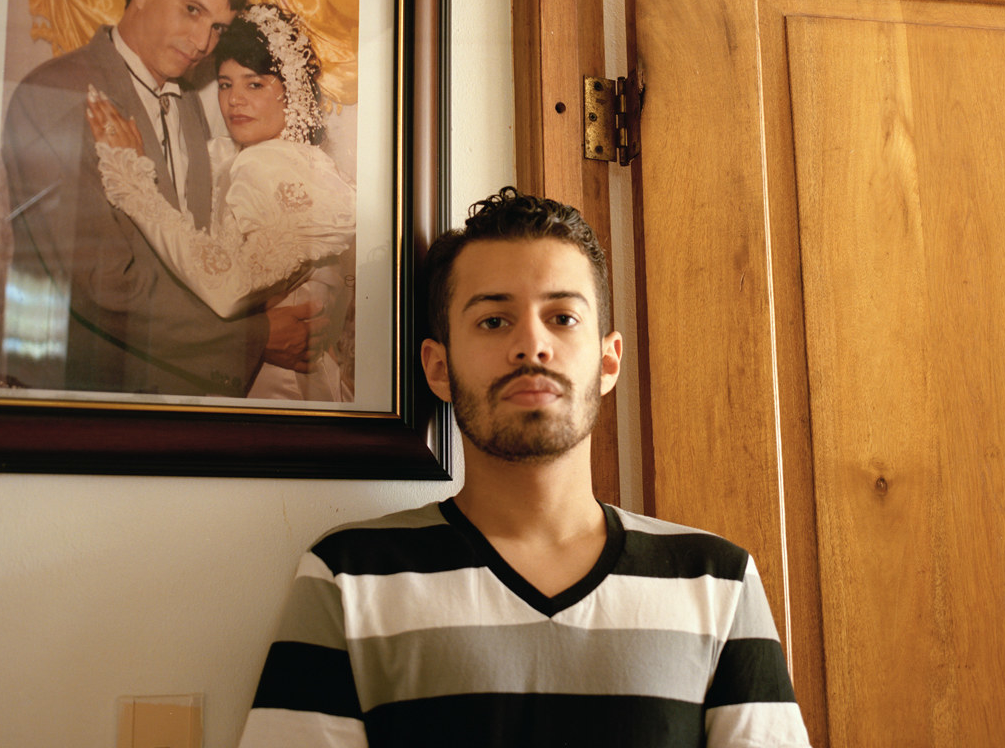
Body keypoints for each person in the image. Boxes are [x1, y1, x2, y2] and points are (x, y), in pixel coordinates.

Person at [235, 187, 813, 747]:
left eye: (563, 318)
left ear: (609, 361)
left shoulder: (717, 581)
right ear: (438, 369)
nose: (531, 345)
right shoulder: (348, 576)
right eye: (493, 321)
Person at [0, 0, 325, 396]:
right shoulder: (59, 94)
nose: (202, 42)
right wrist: (253, 338)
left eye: (217, 27)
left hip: (173, 391)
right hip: (85, 391)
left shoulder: (188, 101)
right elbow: (104, 287)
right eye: (192, 10)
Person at [87, 4, 357, 402]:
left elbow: (227, 289)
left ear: (293, 91)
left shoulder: (268, 166)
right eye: (226, 84)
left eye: (255, 84)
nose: (234, 101)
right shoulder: (268, 161)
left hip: (274, 392)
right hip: (269, 381)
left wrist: (133, 184)